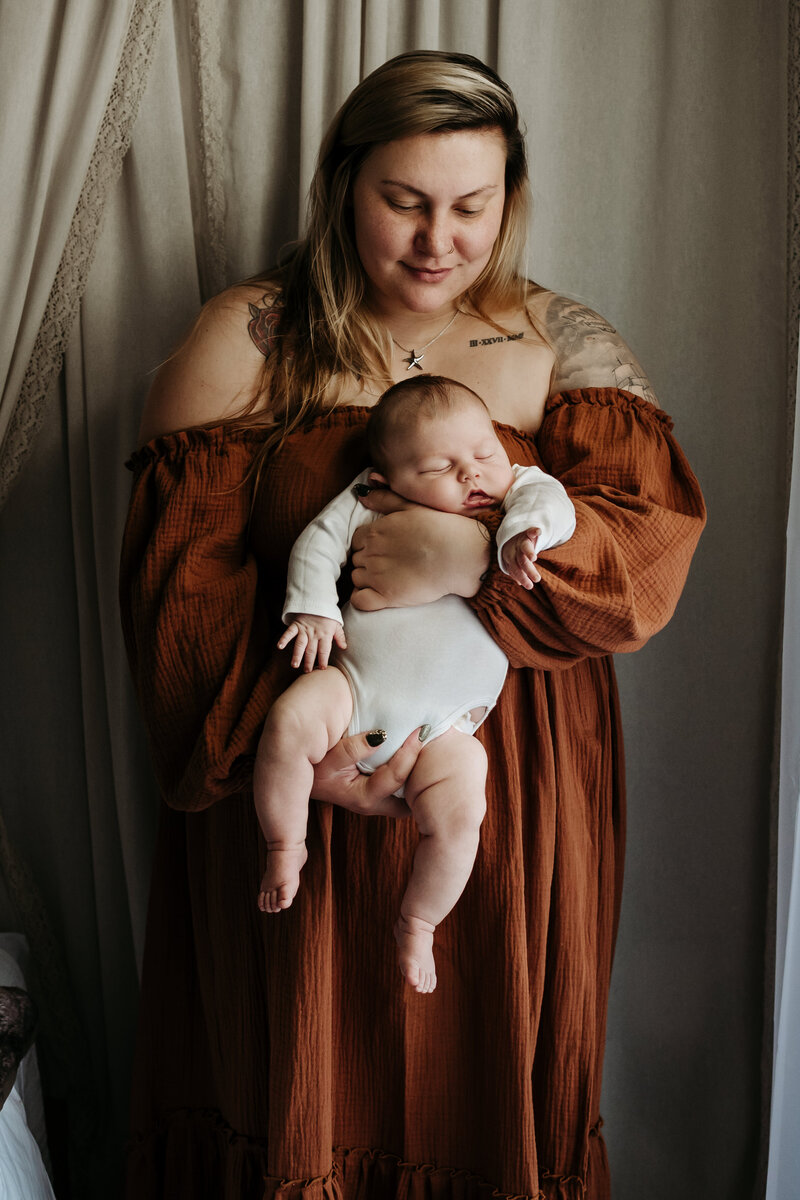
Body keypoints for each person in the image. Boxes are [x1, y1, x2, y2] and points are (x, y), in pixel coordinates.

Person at [120, 49, 705, 1200]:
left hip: (507, 788)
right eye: (404, 202)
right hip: (289, 765)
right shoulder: (249, 338)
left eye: (470, 208)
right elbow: (175, 589)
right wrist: (300, 753)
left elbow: (640, 564)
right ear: (343, 187)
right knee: (297, 1075)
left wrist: (462, 553)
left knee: (480, 1072)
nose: (438, 241)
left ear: (509, 201)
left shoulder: (559, 345)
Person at [256, 375, 576, 996]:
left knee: (461, 819)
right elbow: (320, 541)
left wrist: (520, 538)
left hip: (446, 727)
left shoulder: (514, 493)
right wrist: (315, 606)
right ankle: (283, 843)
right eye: (440, 467)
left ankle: (418, 920)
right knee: (289, 723)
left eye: (484, 454)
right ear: (389, 475)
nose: (472, 476)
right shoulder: (366, 496)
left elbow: (551, 505)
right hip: (355, 686)